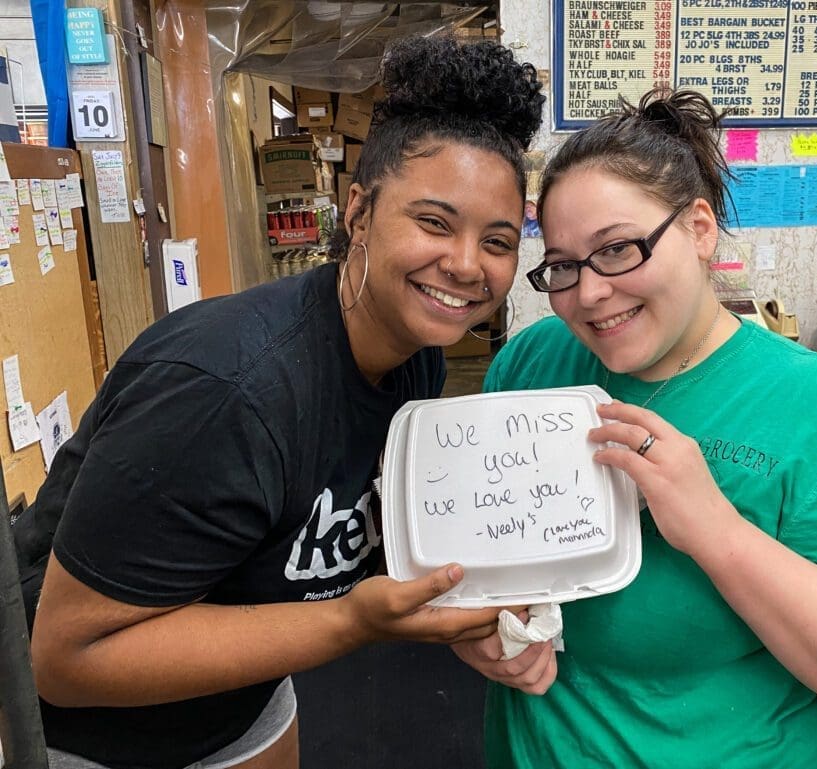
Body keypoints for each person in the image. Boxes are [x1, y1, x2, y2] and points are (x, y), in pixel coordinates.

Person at [17, 35, 543, 769]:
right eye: (432, 222)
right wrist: (352, 620)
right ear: (358, 213)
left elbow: (369, 524)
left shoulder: (414, 358)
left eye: (497, 239)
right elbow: (65, 661)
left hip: (245, 692)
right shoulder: (224, 392)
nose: (465, 263)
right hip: (95, 739)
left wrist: (471, 615)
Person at [453, 89, 817, 768]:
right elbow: (474, 549)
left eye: (618, 250)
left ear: (697, 229)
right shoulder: (533, 361)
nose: (589, 292)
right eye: (564, 266)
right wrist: (475, 631)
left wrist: (715, 531)